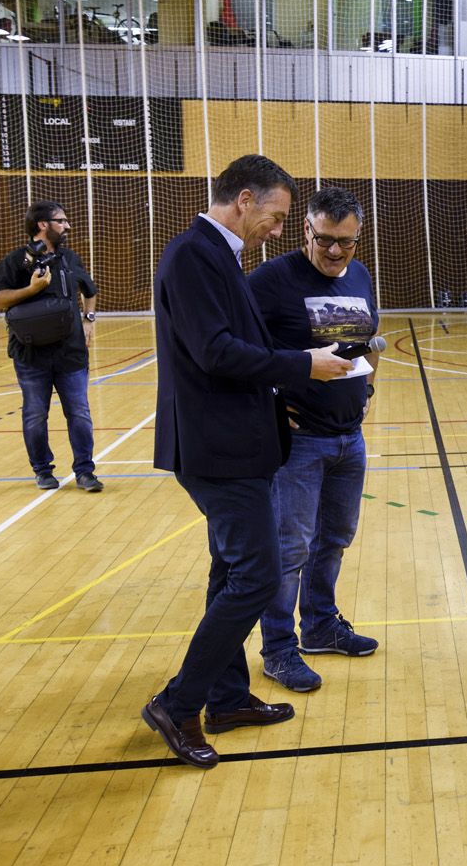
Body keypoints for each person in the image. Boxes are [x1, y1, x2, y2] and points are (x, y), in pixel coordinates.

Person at [142, 154, 352, 769]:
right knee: (257, 578)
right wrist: (301, 366)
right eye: (279, 216)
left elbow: (241, 348)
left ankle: (228, 698)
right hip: (215, 450)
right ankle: (178, 705)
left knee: (227, 573)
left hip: (239, 440)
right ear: (243, 201)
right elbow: (215, 353)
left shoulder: (217, 256)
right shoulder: (192, 255)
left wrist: (285, 384)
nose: (281, 230)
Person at [249, 186, 381, 694]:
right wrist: (268, 400)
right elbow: (237, 351)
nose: (334, 251)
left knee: (334, 539)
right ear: (306, 229)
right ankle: (279, 650)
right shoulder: (270, 281)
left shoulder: (362, 275)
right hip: (298, 443)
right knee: (289, 549)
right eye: (325, 239)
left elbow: (369, 341)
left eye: (345, 243)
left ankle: (321, 626)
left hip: (350, 437)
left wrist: (369, 391)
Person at [0, 200, 102, 492]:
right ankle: (42, 470)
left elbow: (89, 290)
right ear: (43, 225)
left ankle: (85, 472)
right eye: (61, 220)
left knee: (79, 412)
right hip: (30, 354)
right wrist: (31, 289)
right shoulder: (15, 261)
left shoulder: (70, 259)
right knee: (35, 414)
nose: (67, 226)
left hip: (70, 352)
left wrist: (88, 319)